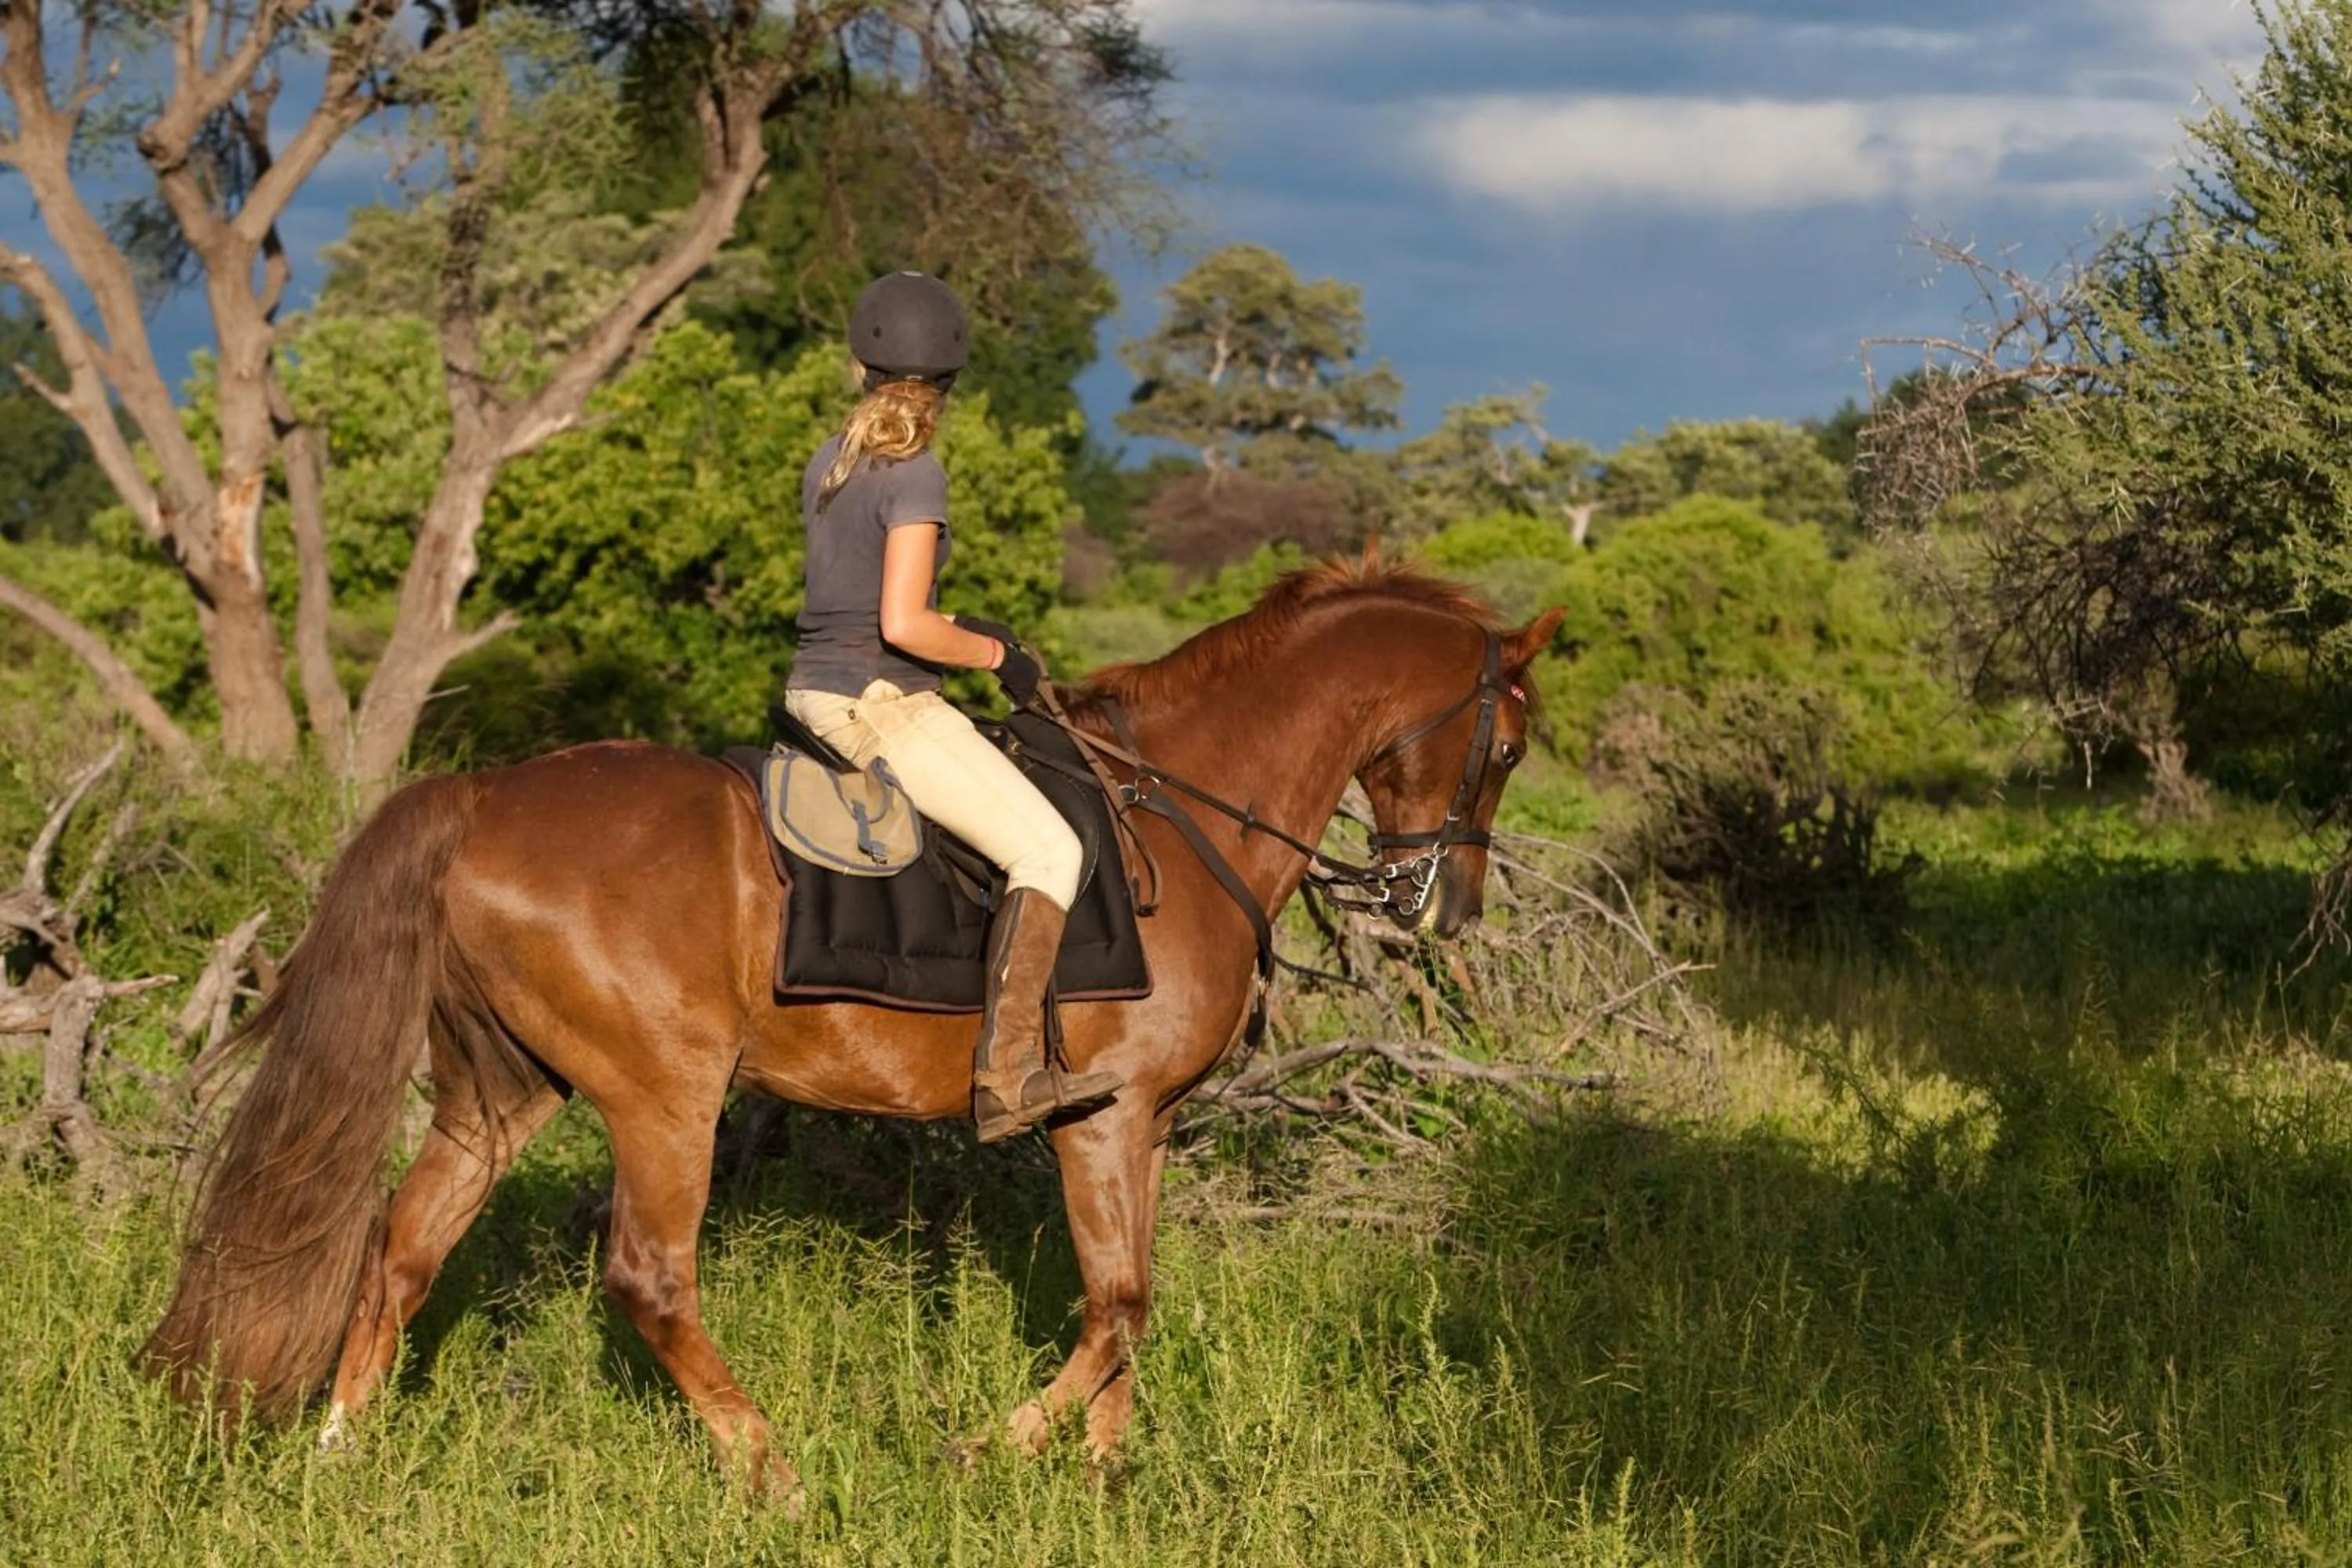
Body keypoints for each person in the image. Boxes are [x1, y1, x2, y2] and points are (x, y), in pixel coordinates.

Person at [784, 270, 1123, 1142]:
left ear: (860, 364)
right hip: (879, 702)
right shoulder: (917, 472)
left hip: (811, 691)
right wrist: (996, 653)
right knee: (1049, 846)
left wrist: (956, 626)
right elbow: (901, 622)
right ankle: (1007, 1077)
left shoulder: (835, 456)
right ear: (949, 385)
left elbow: (859, 600)